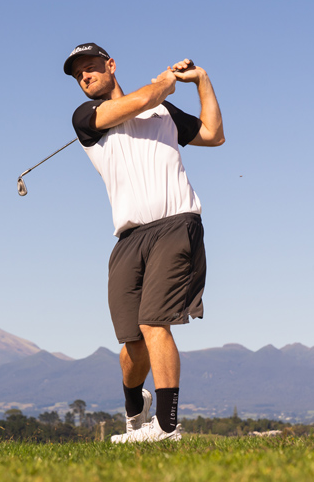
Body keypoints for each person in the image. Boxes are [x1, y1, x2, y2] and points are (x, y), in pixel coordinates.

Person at [63, 43, 225, 443]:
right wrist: (165, 82)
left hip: (175, 225)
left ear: (110, 66)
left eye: (91, 68)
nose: (85, 76)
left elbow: (213, 135)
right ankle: (136, 414)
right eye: (78, 74)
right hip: (128, 238)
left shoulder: (162, 111)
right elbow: (142, 99)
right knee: (132, 346)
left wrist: (202, 80)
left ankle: (168, 427)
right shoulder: (86, 117)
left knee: (155, 323)